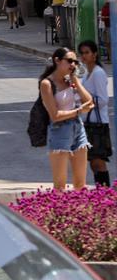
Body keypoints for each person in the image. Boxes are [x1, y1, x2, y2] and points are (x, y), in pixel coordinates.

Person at [39, 47, 94, 190]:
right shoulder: (47, 84)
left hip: (78, 128)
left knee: (81, 184)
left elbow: (90, 101)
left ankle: (80, 212)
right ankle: (59, 212)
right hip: (60, 131)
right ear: (57, 60)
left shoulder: (70, 81)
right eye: (69, 61)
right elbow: (54, 115)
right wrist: (79, 111)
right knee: (60, 186)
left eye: (75, 62)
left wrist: (76, 80)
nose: (73, 65)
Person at [79, 40, 111, 186]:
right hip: (88, 122)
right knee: (93, 162)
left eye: (87, 52)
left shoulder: (98, 73)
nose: (84, 56)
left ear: (94, 54)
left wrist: (87, 101)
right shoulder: (86, 74)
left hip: (98, 124)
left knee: (98, 161)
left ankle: (105, 194)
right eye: (82, 53)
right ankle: (101, 194)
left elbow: (103, 100)